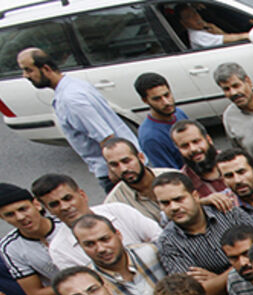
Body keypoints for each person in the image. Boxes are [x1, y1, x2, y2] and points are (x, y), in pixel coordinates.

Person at [16, 48, 139, 193]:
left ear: (46, 68)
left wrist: (114, 171)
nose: (25, 75)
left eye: (28, 70)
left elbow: (106, 137)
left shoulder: (71, 100)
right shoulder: (73, 85)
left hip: (117, 173)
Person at [154, 172, 253, 295]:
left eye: (179, 199)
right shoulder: (168, 243)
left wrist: (217, 280)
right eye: (165, 203)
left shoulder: (228, 213)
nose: (174, 207)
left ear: (195, 196)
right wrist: (240, 269)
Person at [31, 174, 161, 271]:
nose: (64, 207)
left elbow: (160, 240)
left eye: (68, 198)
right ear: (48, 210)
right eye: (54, 204)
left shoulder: (119, 211)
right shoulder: (60, 250)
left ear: (82, 195)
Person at [0, 183, 70, 295]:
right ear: (3, 218)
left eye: (23, 209)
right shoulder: (10, 248)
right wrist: (76, 286)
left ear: (37, 205)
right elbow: (35, 294)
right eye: (10, 214)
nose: (20, 217)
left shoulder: (65, 223)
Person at [101, 138, 173, 225]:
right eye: (114, 165)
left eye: (126, 161)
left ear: (141, 158)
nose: (123, 169)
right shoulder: (114, 204)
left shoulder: (174, 176)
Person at [132, 72, 187, 171]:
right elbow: (171, 174)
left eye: (167, 95)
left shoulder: (179, 113)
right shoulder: (151, 137)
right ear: (145, 100)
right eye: (157, 99)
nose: (166, 102)